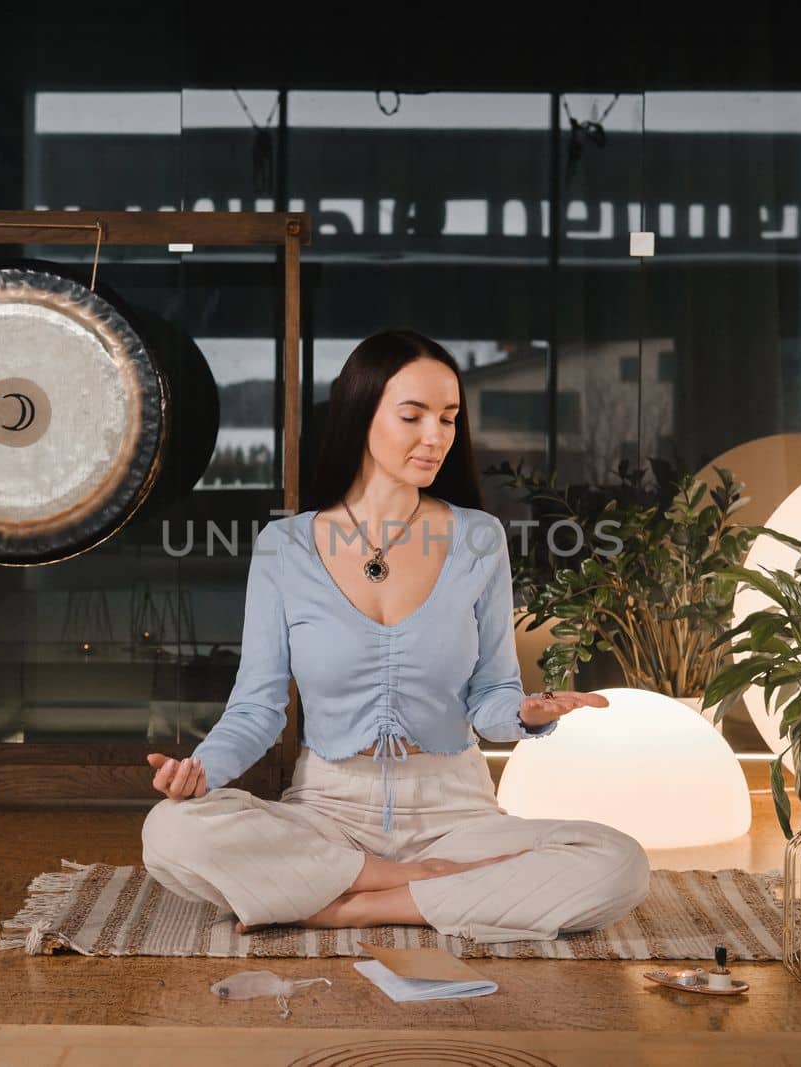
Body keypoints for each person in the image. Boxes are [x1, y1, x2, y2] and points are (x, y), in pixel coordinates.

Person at [141, 329, 649, 944]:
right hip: (329, 813)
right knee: (169, 832)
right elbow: (257, 707)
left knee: (618, 861)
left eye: (448, 418)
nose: (435, 436)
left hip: (456, 815)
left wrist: (527, 712)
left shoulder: (478, 538)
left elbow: (490, 700)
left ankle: (347, 905)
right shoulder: (286, 547)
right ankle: (414, 881)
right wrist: (202, 770)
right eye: (413, 416)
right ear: (362, 414)